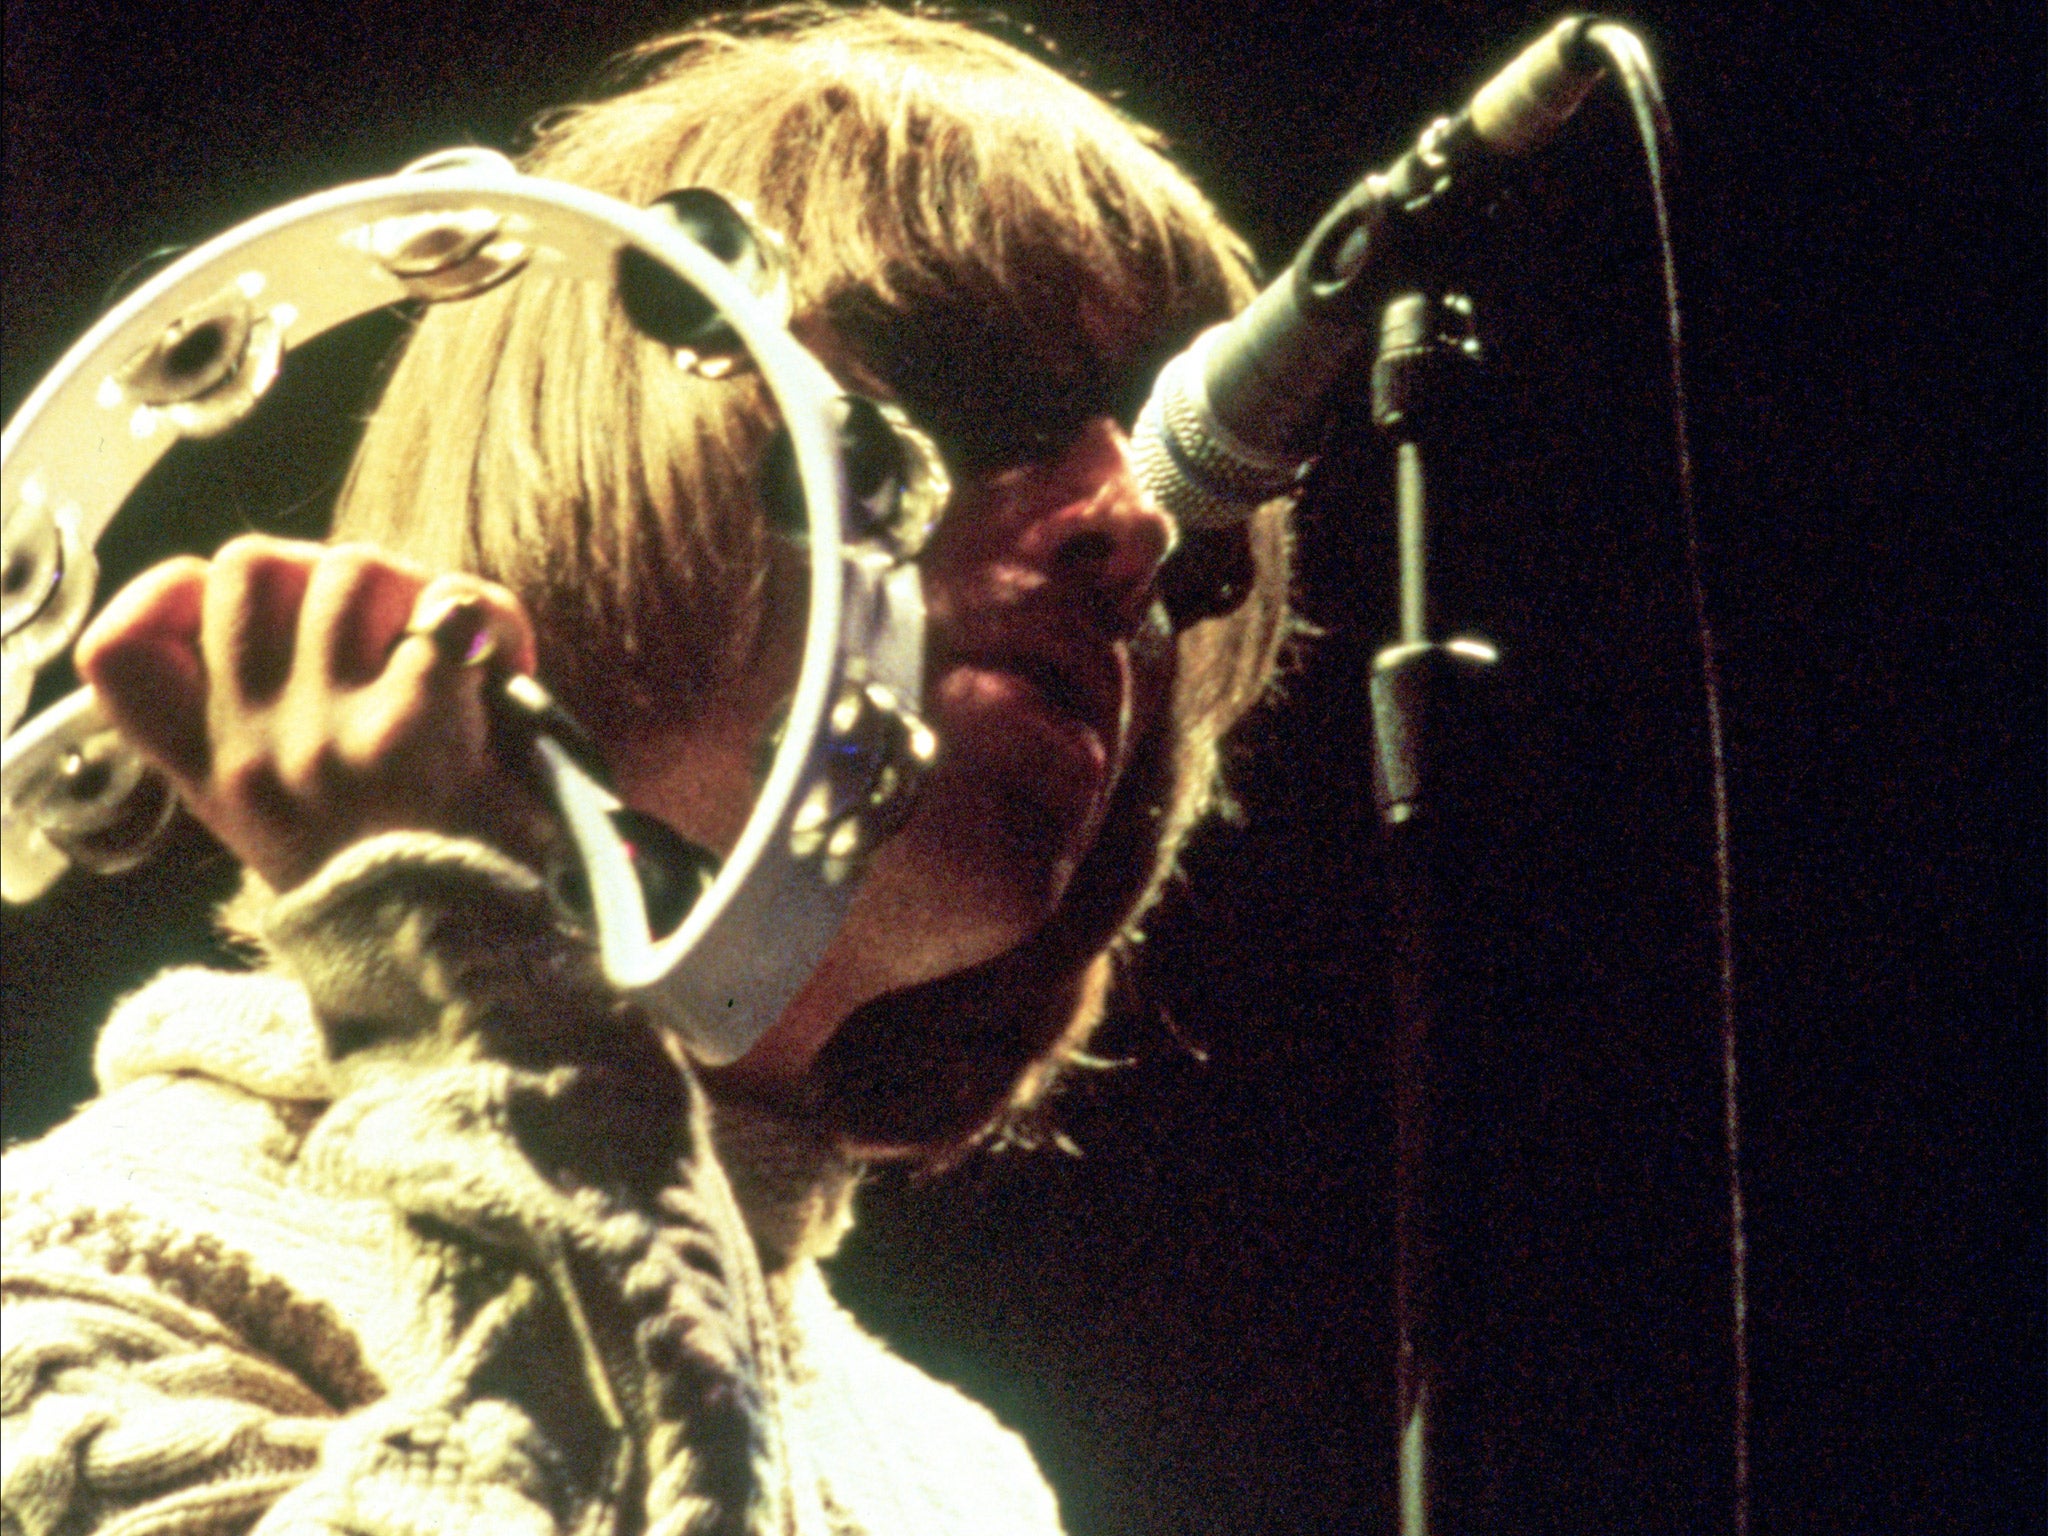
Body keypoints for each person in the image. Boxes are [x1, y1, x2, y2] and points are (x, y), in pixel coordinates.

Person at [0, 7, 1293, 1532]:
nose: (1129, 527)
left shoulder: (968, 1480)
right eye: (972, 386)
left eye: (1186, 537)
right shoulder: (87, 1270)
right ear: (635, 399)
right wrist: (450, 964)